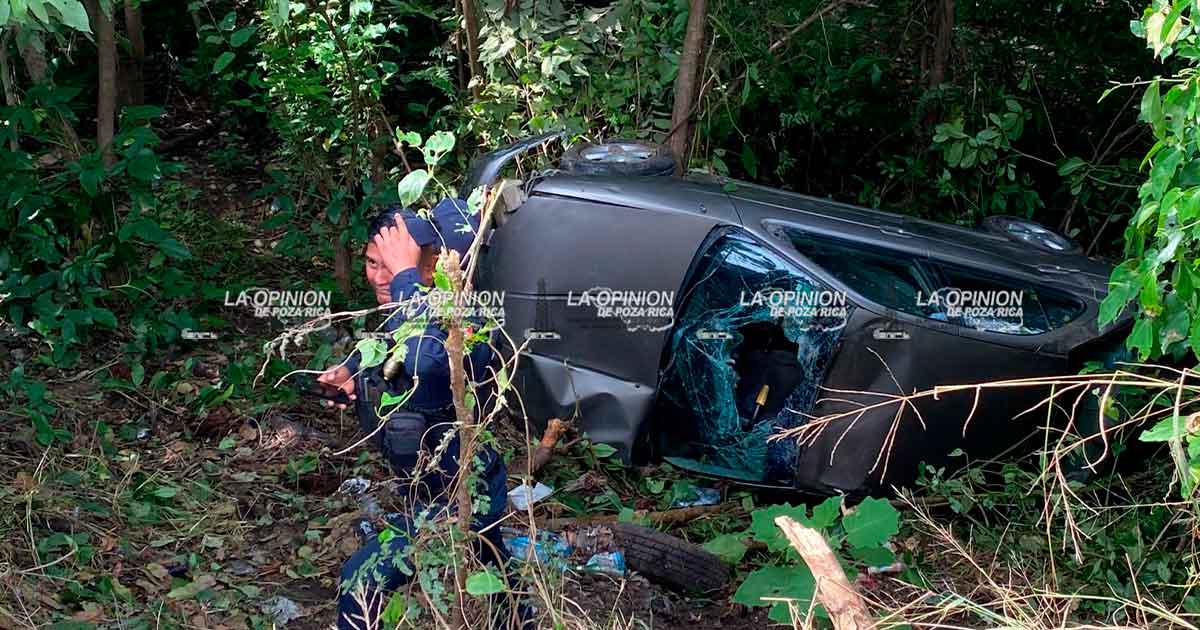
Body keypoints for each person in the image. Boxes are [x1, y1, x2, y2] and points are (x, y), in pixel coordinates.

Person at [318, 198, 510, 630]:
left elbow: (424, 358)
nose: (381, 278)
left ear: (441, 266)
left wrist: (406, 275)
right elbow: (394, 356)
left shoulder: (468, 318)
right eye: (373, 262)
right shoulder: (409, 308)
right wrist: (353, 376)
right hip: (436, 492)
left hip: (460, 496)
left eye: (395, 264)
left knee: (361, 581)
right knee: (496, 577)